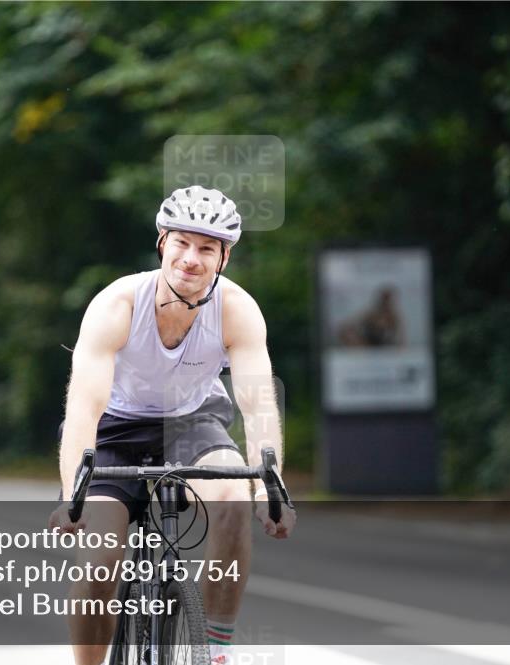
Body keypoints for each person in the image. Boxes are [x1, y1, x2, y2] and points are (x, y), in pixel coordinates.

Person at [49, 186, 297, 665]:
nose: (191, 258)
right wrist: (70, 495)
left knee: (230, 495)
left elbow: (257, 402)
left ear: (225, 256)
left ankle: (217, 650)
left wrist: (272, 489)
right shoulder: (117, 304)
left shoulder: (237, 309)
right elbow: (84, 406)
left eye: (207, 248)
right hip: (113, 431)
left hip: (193, 422)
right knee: (100, 560)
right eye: (183, 242)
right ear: (162, 242)